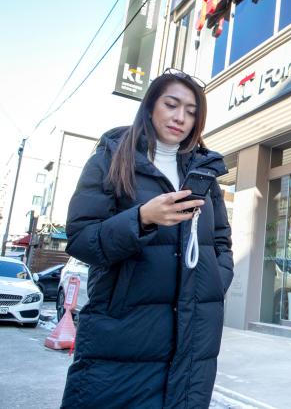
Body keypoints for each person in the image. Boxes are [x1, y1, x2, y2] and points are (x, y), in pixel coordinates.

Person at [60, 69, 234, 408]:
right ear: (151, 106)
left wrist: (215, 281)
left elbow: (221, 242)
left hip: (193, 337)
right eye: (171, 105)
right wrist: (141, 219)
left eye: (191, 111)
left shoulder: (205, 172)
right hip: (122, 337)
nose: (180, 117)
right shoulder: (112, 158)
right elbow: (81, 239)